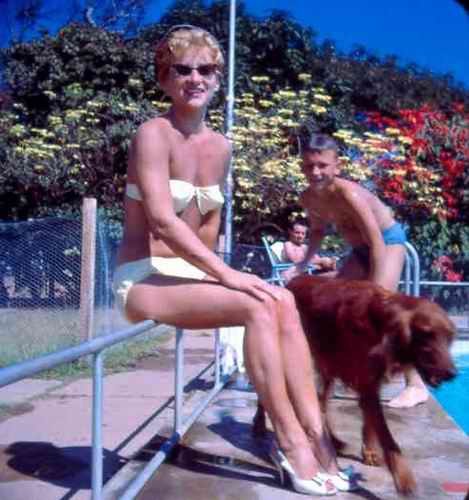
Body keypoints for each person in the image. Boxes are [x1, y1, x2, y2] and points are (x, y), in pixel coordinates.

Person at [112, 25, 356, 495]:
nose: (196, 78)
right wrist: (229, 276)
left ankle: (317, 435)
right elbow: (162, 221)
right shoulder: (152, 135)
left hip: (194, 276)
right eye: (183, 70)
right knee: (256, 304)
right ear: (164, 78)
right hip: (144, 276)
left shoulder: (221, 147)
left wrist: (224, 277)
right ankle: (290, 443)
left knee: (281, 299)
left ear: (217, 78)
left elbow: (208, 231)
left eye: (206, 69)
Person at [284, 132, 429, 409]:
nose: (315, 172)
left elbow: (377, 243)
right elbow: (317, 232)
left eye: (323, 165)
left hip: (386, 243)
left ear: (337, 166)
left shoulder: (348, 194)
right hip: (362, 251)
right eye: (309, 166)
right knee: (331, 304)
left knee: (381, 311)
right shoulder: (308, 198)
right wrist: (300, 266)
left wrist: (372, 291)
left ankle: (416, 385)